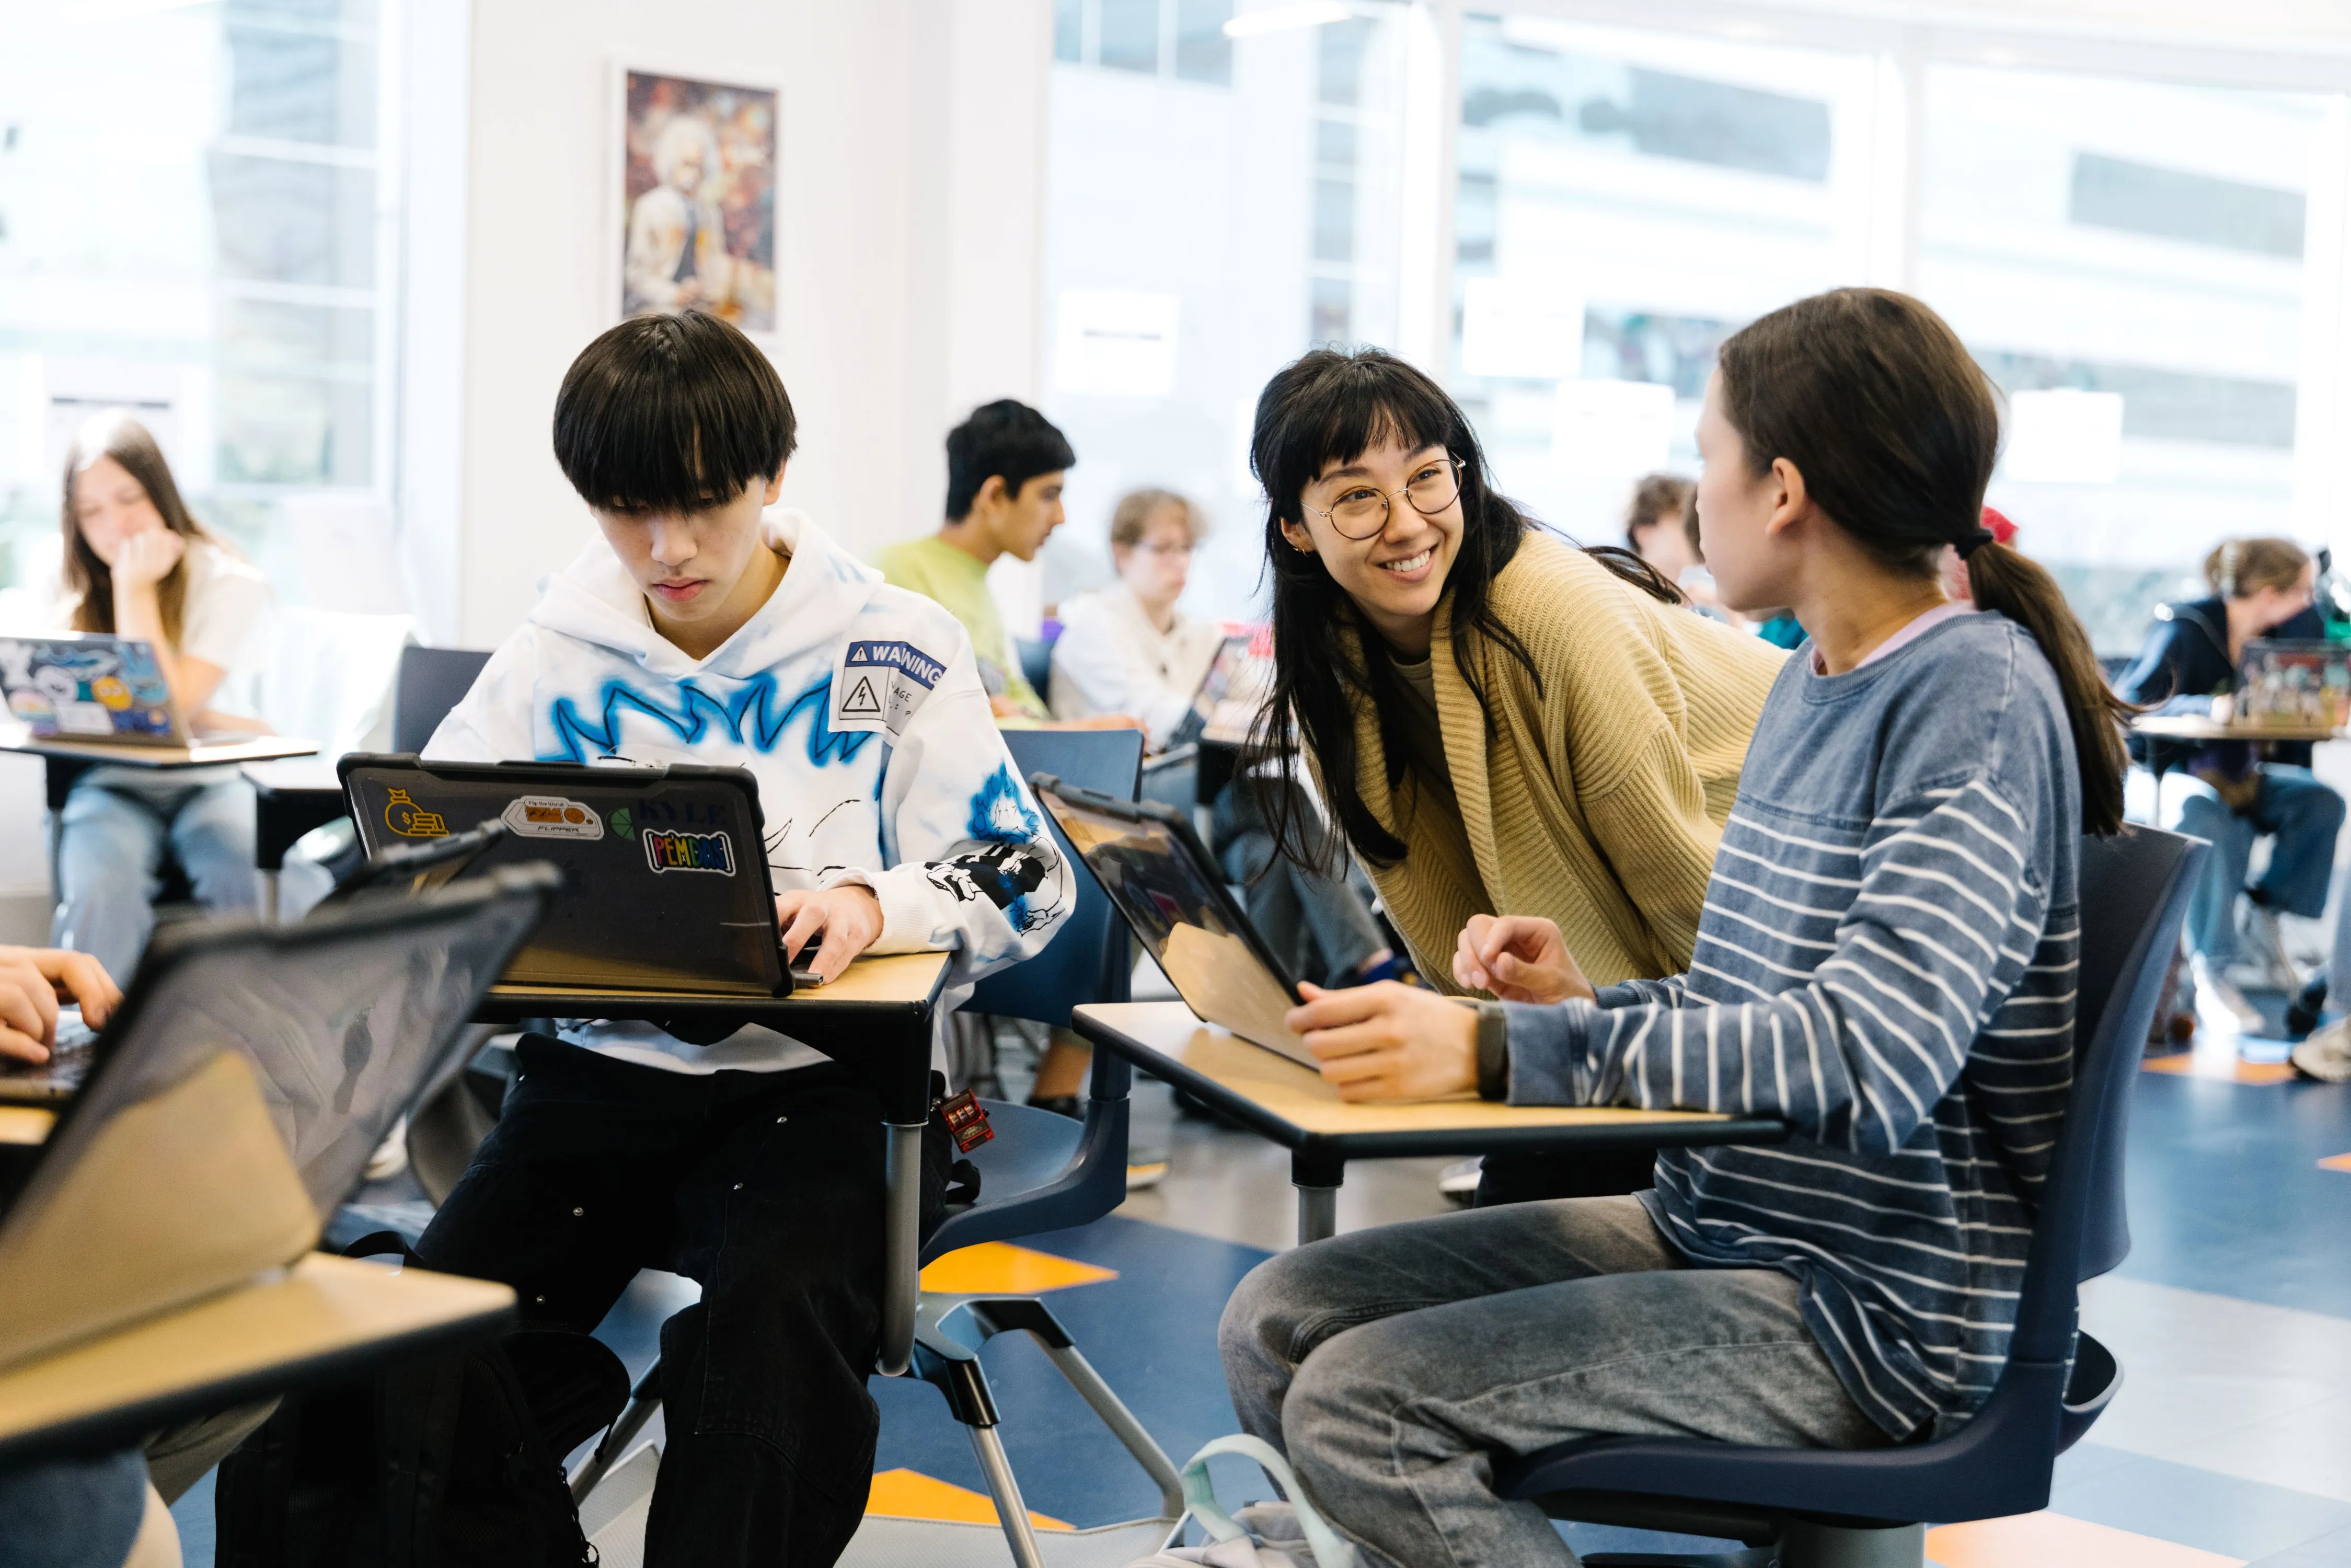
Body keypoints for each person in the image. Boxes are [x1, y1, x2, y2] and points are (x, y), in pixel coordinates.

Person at [1219, 286, 2128, 1568]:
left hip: (1871, 1296)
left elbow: (1867, 1054)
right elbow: (1730, 985)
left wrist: (1497, 1056)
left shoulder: (1966, 699)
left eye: (1707, 454)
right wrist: (1573, 1003)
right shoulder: (1816, 684)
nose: (1689, 496)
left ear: (1783, 492)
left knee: (1362, 1403)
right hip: (1723, 1216)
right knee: (1275, 1316)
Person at [414, 312, 1071, 1568]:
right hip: (592, 1090)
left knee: (759, 1354)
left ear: (773, 478)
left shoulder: (895, 643)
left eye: (704, 505)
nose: (664, 549)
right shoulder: (555, 650)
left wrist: (878, 903)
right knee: (420, 1355)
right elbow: (436, 848)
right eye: (622, 508)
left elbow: (1029, 877)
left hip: (830, 1097)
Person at [1247, 349, 1785, 1200]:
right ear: (1293, 526)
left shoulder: (1548, 613)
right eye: (1355, 495)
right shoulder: (1330, 672)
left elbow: (1696, 911)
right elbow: (1445, 932)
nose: (1404, 522)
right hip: (1614, 1027)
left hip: (1741, 987)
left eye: (1427, 477)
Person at [1050, 489, 1406, 990]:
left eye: (1188, 548)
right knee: (1283, 799)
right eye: (1166, 548)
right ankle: (1375, 966)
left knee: (1275, 853)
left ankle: (1273, 1017)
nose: (1181, 562)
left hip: (1201, 811)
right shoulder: (1096, 628)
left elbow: (1262, 701)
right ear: (1123, 552)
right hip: (1126, 809)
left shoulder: (1198, 634)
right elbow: (1170, 721)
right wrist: (1243, 716)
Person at [49, 414, 274, 983]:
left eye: (129, 498)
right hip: (113, 782)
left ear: (162, 493)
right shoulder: (69, 580)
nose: (114, 526)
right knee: (100, 886)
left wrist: (134, 585)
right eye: (91, 511)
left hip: (214, 781)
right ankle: (93, 1048)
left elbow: (158, 710)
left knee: (239, 870)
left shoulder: (228, 581)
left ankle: (254, 1038)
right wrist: (214, 717)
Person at [2116, 536, 2338, 1016]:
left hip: (2241, 773)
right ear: (2269, 592)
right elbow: (2129, 706)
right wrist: (2206, 707)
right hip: (2164, 772)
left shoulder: (2279, 639)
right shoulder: (2185, 627)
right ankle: (2215, 969)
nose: (2307, 601)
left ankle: (2267, 914)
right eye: (2301, 590)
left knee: (2320, 802)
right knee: (2205, 811)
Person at [878, 399, 1135, 730]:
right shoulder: (898, 570)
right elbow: (924, 722)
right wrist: (1071, 733)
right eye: (1048, 495)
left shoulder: (977, 582)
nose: (1060, 517)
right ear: (994, 496)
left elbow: (1016, 705)